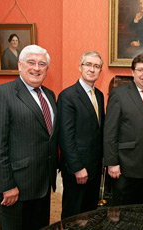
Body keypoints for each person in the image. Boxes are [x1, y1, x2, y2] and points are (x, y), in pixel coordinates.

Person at [0, 45, 59, 230]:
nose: (37, 68)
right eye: (31, 62)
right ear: (20, 65)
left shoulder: (49, 95)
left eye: (42, 64)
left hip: (42, 183)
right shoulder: (0, 94)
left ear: (47, 69)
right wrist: (6, 186)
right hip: (17, 187)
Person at [104, 53, 143, 205]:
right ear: (133, 72)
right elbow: (110, 131)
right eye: (141, 70)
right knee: (123, 214)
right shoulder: (119, 94)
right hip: (125, 168)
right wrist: (112, 163)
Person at [58, 51, 105, 219]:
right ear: (80, 67)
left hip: (94, 168)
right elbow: (65, 137)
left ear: (101, 70)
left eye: (96, 66)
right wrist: (77, 168)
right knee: (73, 214)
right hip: (77, 170)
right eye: (88, 64)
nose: (92, 69)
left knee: (89, 213)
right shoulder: (68, 96)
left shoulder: (98, 95)